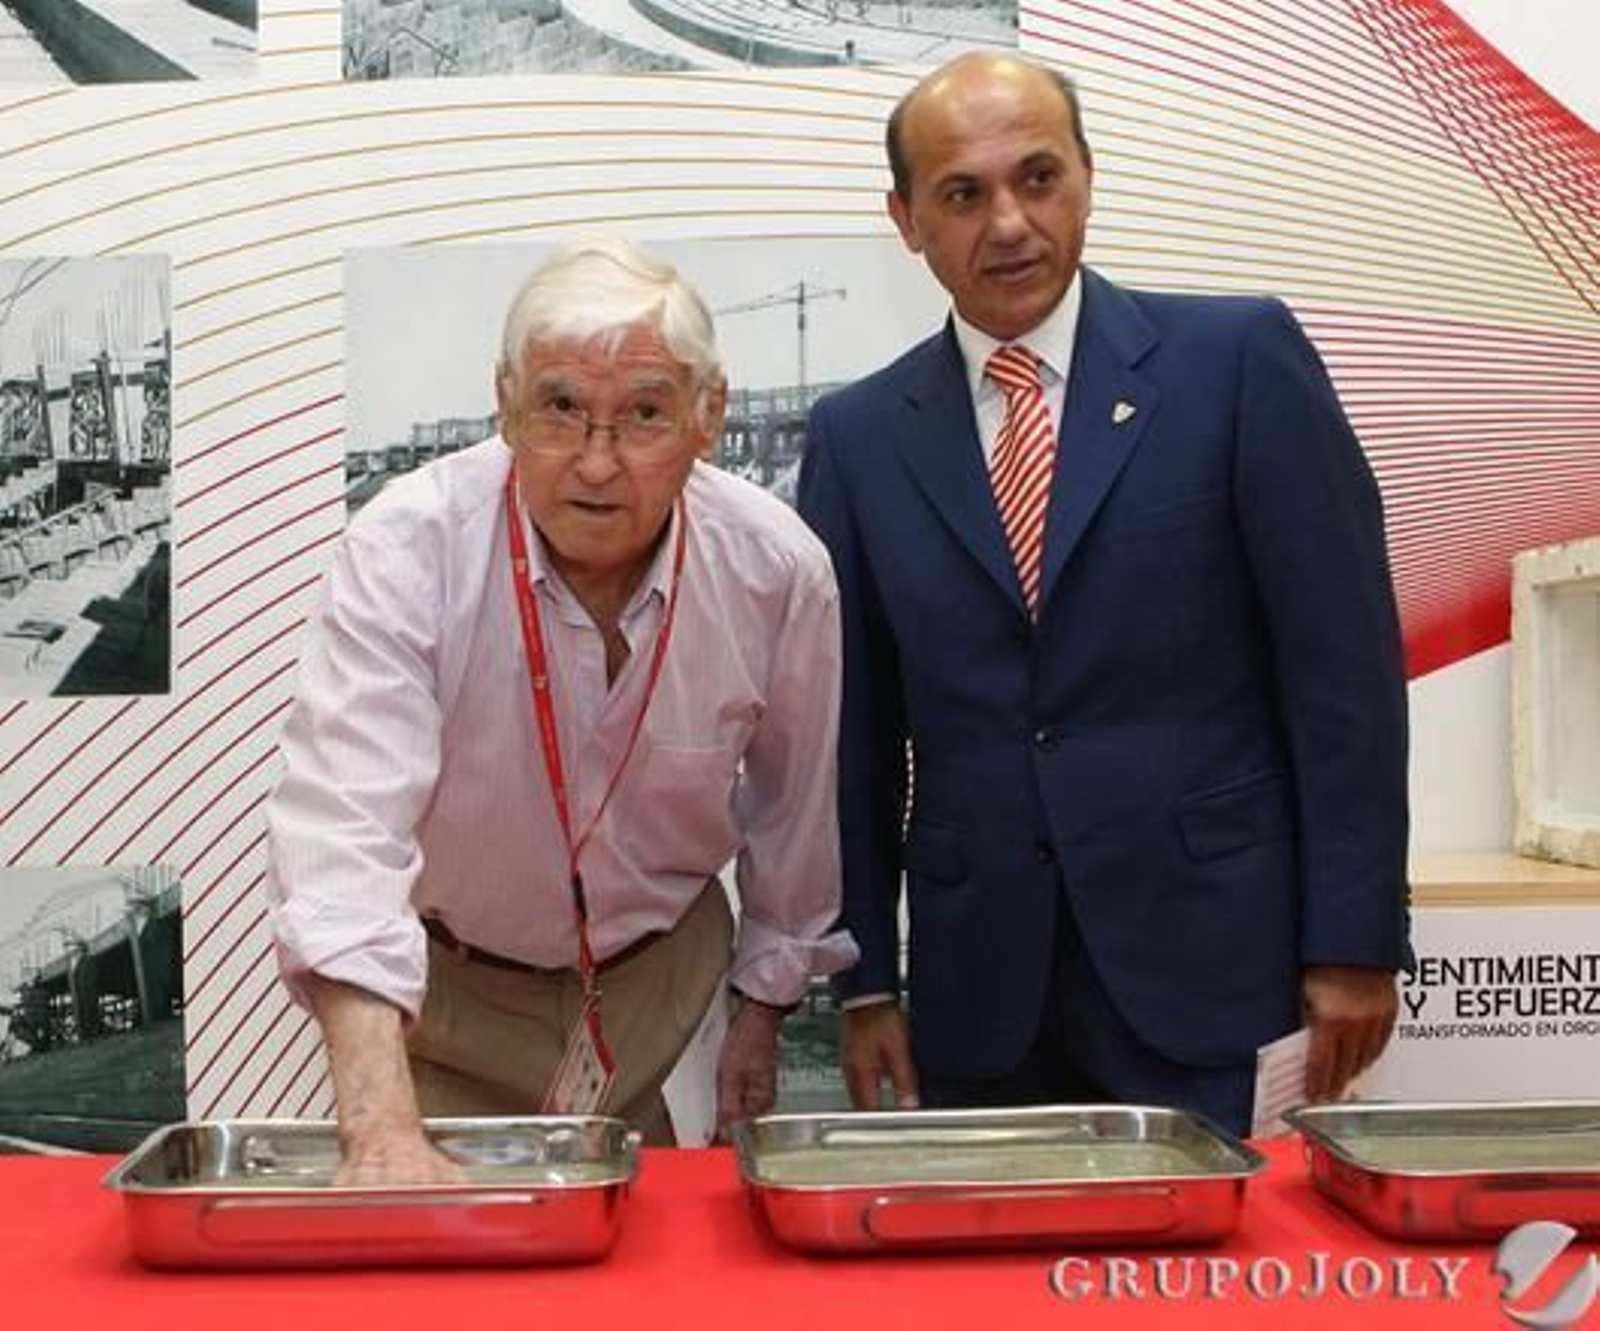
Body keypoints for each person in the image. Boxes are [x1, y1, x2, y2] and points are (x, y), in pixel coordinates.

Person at [796, 53, 1409, 1135]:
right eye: (963, 194)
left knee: (1219, 1298)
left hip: (1216, 970)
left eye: (1037, 177)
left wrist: (1352, 941)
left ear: (1086, 175)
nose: (1009, 223)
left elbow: (1343, 677)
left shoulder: (1237, 362)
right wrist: (864, 979)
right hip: (978, 993)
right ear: (905, 220)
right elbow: (850, 737)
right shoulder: (856, 438)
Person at [267, 240, 855, 1182]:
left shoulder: (777, 569)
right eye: (560, 409)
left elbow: (794, 811)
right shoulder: (407, 550)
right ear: (504, 401)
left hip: (664, 995)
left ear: (711, 415)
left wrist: (764, 1011)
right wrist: (378, 1130)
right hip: (453, 999)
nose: (597, 462)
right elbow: (344, 833)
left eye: (646, 415)